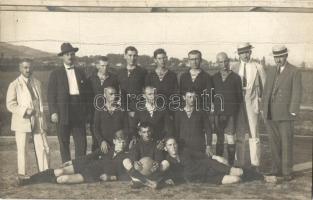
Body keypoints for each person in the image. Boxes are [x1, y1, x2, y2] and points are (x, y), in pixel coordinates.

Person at [17, 130, 129, 186]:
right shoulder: (107, 149)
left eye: (124, 142)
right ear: (114, 141)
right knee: (60, 170)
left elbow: (126, 175)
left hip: (93, 174)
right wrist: (71, 161)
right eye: (119, 141)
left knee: (63, 179)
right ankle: (28, 180)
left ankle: (40, 180)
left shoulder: (125, 157)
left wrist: (111, 177)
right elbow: (89, 157)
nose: (121, 144)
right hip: (86, 165)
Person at [261, 45, 302, 181]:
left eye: (281, 57)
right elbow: (266, 90)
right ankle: (276, 169)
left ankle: (287, 172)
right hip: (270, 114)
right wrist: (263, 109)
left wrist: (293, 112)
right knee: (274, 143)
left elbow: (297, 92)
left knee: (286, 143)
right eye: (276, 57)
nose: (278, 60)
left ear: (286, 56)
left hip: (286, 114)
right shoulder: (271, 70)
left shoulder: (294, 71)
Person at [163, 137, 276, 185]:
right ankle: (250, 176)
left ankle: (263, 177)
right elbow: (169, 173)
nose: (173, 147)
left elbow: (202, 156)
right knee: (236, 179)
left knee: (237, 172)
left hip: (210, 167)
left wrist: (216, 157)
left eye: (174, 144)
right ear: (165, 148)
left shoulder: (185, 151)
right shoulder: (169, 162)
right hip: (205, 178)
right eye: (170, 145)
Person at [6, 59, 50, 181]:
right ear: (20, 69)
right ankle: (23, 175)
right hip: (22, 120)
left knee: (42, 147)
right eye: (25, 67)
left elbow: (40, 102)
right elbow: (10, 104)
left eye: (30, 67)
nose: (28, 70)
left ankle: (45, 174)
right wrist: (25, 110)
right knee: (22, 148)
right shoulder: (14, 84)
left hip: (38, 118)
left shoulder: (37, 82)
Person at [48, 43, 89, 163]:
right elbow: (51, 95)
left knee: (81, 141)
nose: (70, 57)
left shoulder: (81, 72)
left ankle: (80, 166)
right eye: (67, 54)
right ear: (62, 57)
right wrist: (53, 112)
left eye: (72, 54)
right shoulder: (55, 73)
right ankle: (67, 166)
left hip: (78, 110)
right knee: (64, 142)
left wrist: (86, 112)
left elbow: (86, 94)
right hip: (63, 111)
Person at [231, 42, 266, 169]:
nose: (245, 55)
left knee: (254, 134)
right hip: (239, 105)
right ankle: (239, 163)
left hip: (253, 104)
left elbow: (265, 88)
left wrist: (262, 106)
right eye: (242, 53)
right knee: (239, 135)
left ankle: (255, 164)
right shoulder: (233, 68)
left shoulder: (257, 67)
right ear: (238, 54)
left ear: (250, 52)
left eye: (247, 52)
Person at [212, 52, 243, 165]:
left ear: (228, 61)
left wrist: (233, 111)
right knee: (219, 139)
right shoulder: (214, 77)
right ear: (217, 63)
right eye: (221, 62)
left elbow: (239, 98)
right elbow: (212, 96)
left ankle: (230, 164)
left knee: (230, 138)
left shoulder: (236, 78)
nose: (224, 64)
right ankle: (219, 165)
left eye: (226, 61)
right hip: (218, 114)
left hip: (231, 114)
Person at [123, 122, 170, 189]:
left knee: (166, 163)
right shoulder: (137, 145)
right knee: (125, 161)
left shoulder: (156, 144)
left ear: (152, 131)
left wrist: (157, 163)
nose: (147, 134)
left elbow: (159, 156)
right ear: (140, 133)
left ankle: (140, 182)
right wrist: (135, 162)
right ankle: (146, 181)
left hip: (152, 172)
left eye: (148, 131)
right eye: (144, 132)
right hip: (140, 172)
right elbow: (133, 155)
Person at [88, 56, 119, 151]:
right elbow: (88, 97)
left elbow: (115, 95)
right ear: (97, 66)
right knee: (96, 138)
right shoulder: (91, 79)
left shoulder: (113, 79)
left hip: (108, 112)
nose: (105, 68)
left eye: (106, 66)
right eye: (102, 66)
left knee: (108, 136)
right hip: (94, 112)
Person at [174, 90, 212, 154]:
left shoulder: (201, 112)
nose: (192, 99)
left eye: (194, 97)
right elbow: (176, 131)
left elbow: (208, 129)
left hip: (199, 148)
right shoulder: (178, 112)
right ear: (184, 97)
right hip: (183, 148)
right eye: (189, 97)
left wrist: (208, 146)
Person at [94, 87, 128, 154]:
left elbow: (126, 128)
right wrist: (102, 141)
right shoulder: (99, 110)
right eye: (111, 94)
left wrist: (121, 143)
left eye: (115, 94)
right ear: (105, 95)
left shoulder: (122, 110)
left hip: (118, 146)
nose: (114, 96)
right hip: (104, 145)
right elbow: (96, 129)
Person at [117, 46, 147, 114]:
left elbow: (147, 90)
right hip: (123, 108)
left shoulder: (143, 72)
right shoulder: (119, 72)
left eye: (134, 56)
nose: (132, 58)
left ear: (137, 57)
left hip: (137, 108)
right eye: (130, 55)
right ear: (125, 56)